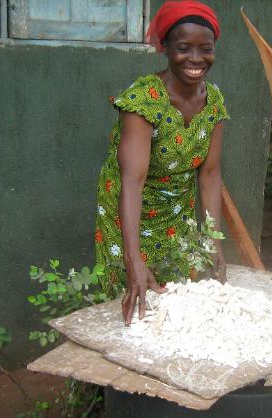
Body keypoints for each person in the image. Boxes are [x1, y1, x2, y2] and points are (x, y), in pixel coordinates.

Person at [95, 1, 228, 325]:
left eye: (205, 49)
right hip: (130, 212)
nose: (196, 59)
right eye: (183, 48)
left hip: (176, 215)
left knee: (171, 308)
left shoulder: (213, 103)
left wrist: (212, 241)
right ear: (165, 47)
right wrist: (133, 259)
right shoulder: (144, 100)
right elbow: (132, 181)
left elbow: (210, 176)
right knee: (132, 306)